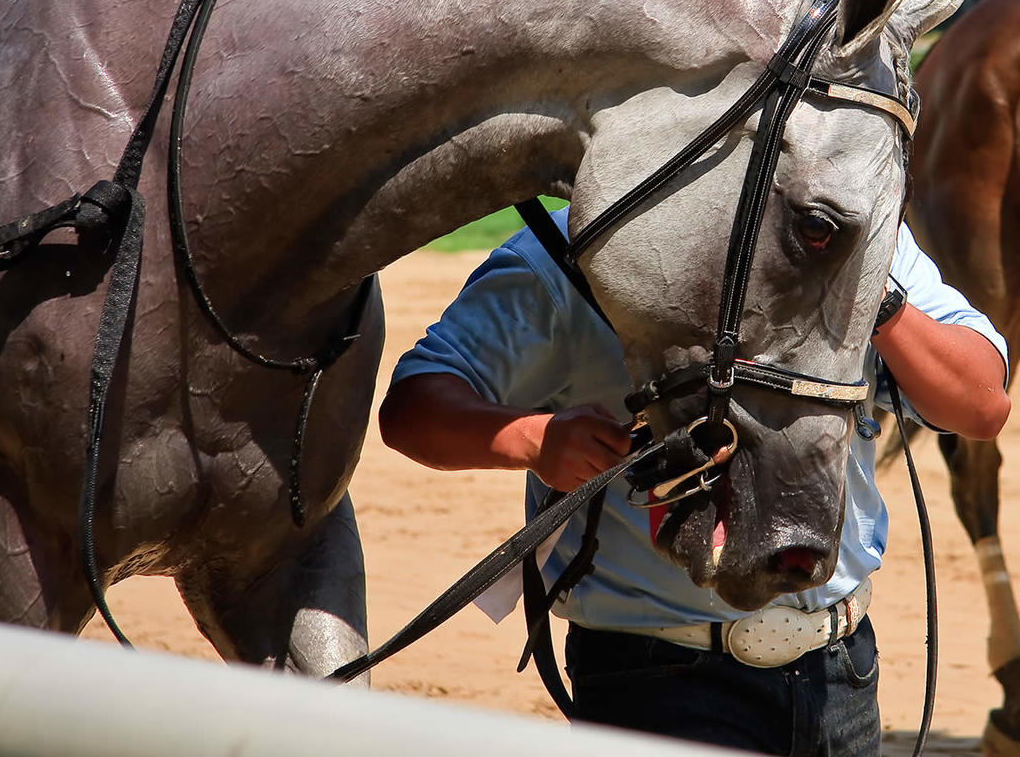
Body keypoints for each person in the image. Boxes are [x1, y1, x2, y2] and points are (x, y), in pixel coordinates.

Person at [380, 205, 1009, 756]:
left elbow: (980, 406)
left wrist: (877, 292)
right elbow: (414, 407)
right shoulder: (572, 251)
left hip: (841, 674)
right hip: (657, 685)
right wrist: (533, 439)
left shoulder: (854, 228)